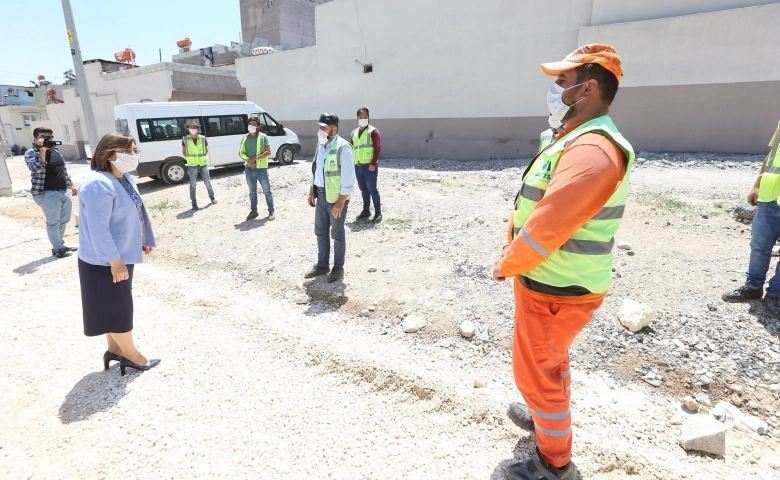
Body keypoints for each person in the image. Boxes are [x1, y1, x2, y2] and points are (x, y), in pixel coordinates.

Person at [492, 44, 634, 480]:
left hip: (558, 287)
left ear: (587, 88)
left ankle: (553, 464)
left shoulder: (595, 149)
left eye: (562, 82)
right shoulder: (575, 137)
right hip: (550, 282)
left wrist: (507, 264)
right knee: (550, 362)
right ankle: (543, 414)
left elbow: (548, 227)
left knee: (539, 372)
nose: (555, 90)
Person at [77, 132, 160, 376]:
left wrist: (142, 240)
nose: (134, 156)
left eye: (135, 151)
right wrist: (115, 261)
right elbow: (98, 229)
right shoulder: (97, 184)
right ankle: (133, 356)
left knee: (111, 304)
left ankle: (114, 348)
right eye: (129, 151)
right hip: (106, 260)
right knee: (118, 306)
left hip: (121, 255)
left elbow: (133, 214)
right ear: (109, 154)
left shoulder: (124, 179)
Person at [722, 121, 780, 316]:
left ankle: (776, 295)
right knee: (759, 246)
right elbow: (772, 154)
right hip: (770, 195)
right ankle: (753, 287)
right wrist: (757, 183)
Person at [305, 113, 356, 283]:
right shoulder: (321, 146)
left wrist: (341, 202)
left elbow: (348, 178)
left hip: (336, 199)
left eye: (324, 127)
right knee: (320, 232)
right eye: (320, 127)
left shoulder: (344, 147)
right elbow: (316, 170)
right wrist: (312, 191)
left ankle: (338, 267)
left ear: (335, 128)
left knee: (337, 234)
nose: (321, 130)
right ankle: (322, 265)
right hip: (320, 195)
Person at [24, 127, 78, 258]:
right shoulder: (31, 153)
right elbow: (35, 168)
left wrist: (72, 184)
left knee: (64, 219)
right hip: (46, 193)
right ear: (35, 139)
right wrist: (42, 151)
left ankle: (59, 245)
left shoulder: (55, 150)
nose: (47, 139)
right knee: (53, 222)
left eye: (49, 136)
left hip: (63, 190)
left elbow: (62, 169)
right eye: (44, 136)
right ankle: (58, 248)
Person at [350, 107, 382, 223]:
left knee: (372, 189)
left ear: (368, 118)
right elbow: (351, 147)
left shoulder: (373, 131)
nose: (363, 119)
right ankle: (366, 211)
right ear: (357, 118)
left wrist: (373, 163)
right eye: (360, 117)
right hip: (358, 166)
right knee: (363, 189)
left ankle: (378, 213)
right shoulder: (354, 132)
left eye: (365, 117)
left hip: (369, 166)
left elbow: (378, 148)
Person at [239, 116, 275, 221]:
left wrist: (255, 158)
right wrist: (248, 160)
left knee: (267, 191)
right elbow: (241, 152)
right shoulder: (245, 138)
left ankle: (271, 210)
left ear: (258, 126)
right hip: (249, 169)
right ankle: (254, 211)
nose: (251, 126)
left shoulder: (263, 137)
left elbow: (268, 152)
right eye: (250, 124)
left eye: (254, 124)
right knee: (252, 192)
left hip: (261, 169)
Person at [181, 120, 216, 210]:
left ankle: (212, 198)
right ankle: (194, 203)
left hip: (203, 163)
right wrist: (191, 159)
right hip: (192, 165)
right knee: (192, 185)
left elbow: (206, 150)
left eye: (194, 127)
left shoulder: (203, 138)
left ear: (197, 128)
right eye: (191, 127)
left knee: (207, 182)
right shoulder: (185, 139)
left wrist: (202, 157)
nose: (193, 129)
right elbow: (184, 152)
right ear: (188, 128)